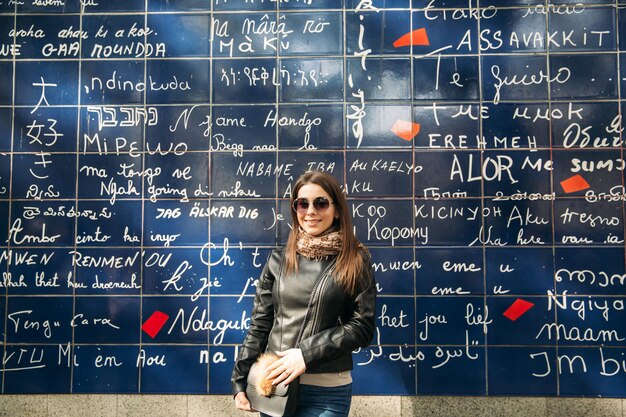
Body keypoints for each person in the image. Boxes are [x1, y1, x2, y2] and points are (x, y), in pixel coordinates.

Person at [232, 170, 377, 417]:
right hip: (276, 386)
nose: (310, 211)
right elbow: (260, 324)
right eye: (302, 203)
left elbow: (362, 327)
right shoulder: (278, 260)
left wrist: (305, 355)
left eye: (320, 203)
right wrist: (239, 380)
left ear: (337, 209)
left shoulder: (355, 260)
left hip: (327, 391)